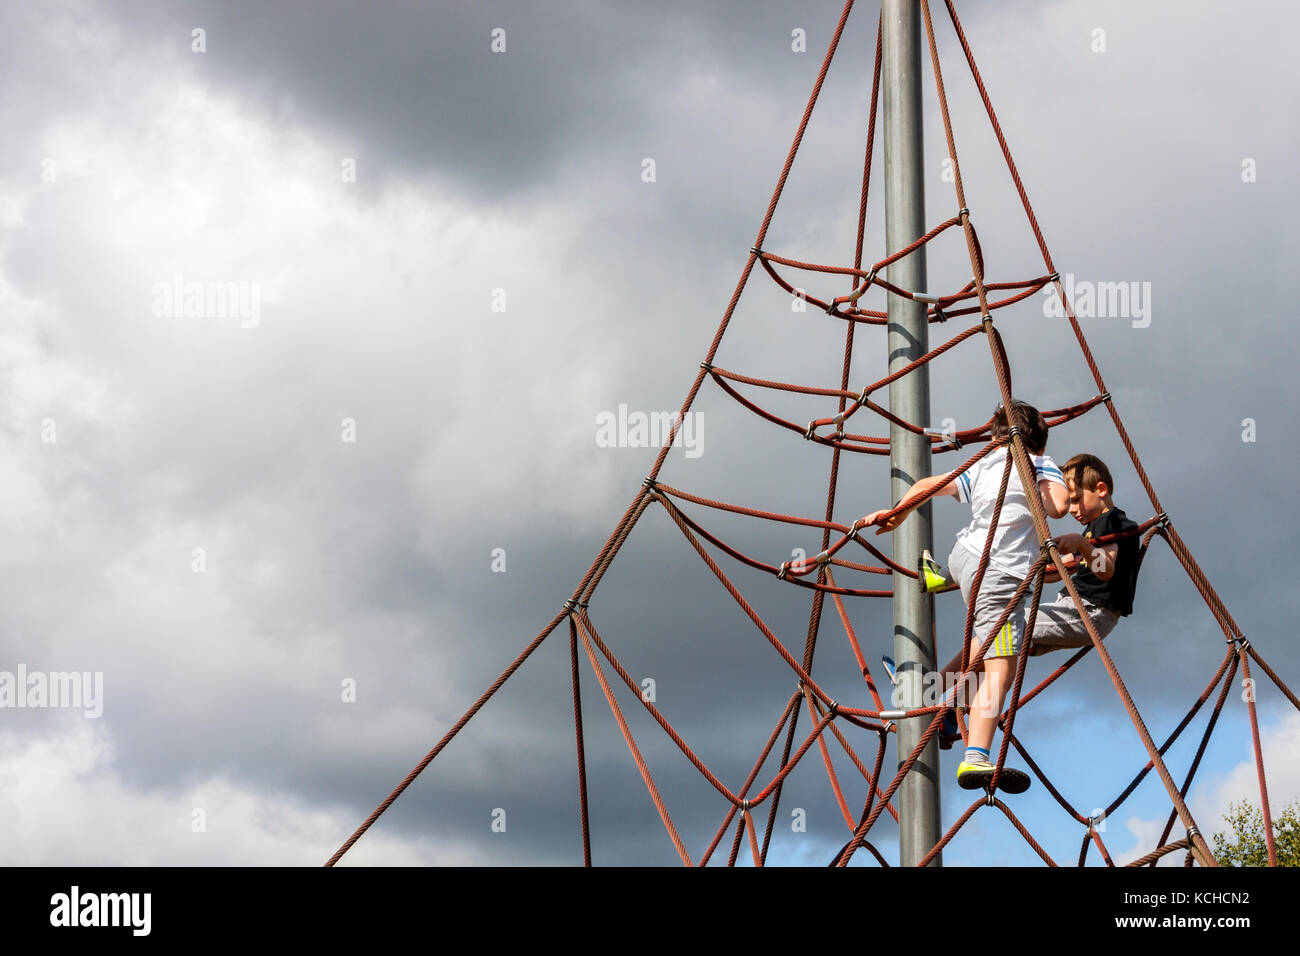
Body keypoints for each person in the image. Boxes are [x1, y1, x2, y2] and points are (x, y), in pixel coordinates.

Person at [861, 400, 1068, 793]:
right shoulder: (1040, 464)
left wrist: (897, 513)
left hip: (966, 558)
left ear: (995, 435)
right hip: (999, 572)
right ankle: (975, 757)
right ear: (1038, 443)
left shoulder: (984, 463)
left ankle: (932, 698)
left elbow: (926, 485)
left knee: (983, 648)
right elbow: (1057, 508)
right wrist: (1042, 475)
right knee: (1002, 669)